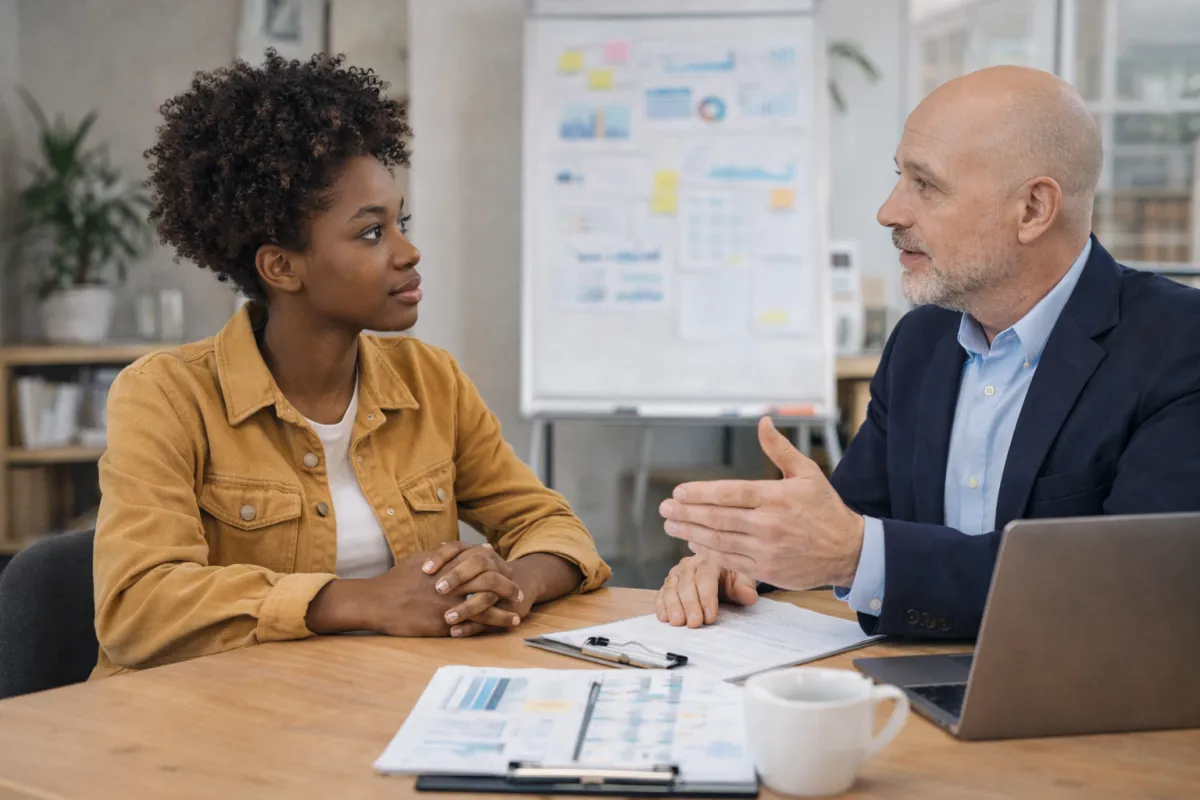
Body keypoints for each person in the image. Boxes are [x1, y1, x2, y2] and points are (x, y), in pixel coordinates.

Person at [91, 52, 610, 678]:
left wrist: (512, 582)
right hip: (209, 716)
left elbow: (551, 524)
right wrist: (366, 601)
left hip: (372, 701)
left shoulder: (432, 381)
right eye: (371, 233)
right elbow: (137, 606)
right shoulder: (166, 396)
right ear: (282, 267)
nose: (409, 252)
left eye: (401, 223)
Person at [655, 65, 1200, 638]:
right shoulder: (921, 342)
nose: (888, 211)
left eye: (926, 184)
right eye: (900, 177)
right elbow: (846, 522)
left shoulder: (1179, 346)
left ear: (1033, 209)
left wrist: (855, 555)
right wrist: (746, 555)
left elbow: (1134, 586)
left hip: (1078, 689)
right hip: (904, 679)